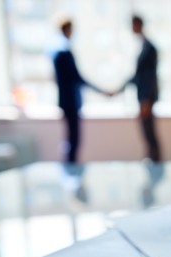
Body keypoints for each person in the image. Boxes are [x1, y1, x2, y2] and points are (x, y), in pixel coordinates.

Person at [52, 19, 107, 163]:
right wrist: (101, 90)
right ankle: (71, 170)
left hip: (68, 102)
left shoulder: (59, 53)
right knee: (73, 139)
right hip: (70, 102)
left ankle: (71, 168)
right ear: (67, 30)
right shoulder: (63, 53)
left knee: (71, 139)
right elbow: (77, 78)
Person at [117, 15, 162, 162]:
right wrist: (120, 89)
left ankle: (155, 161)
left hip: (146, 97)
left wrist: (146, 100)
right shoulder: (143, 46)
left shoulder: (149, 48)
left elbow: (148, 77)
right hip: (143, 96)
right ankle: (152, 158)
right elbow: (138, 76)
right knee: (146, 131)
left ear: (138, 25)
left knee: (149, 132)